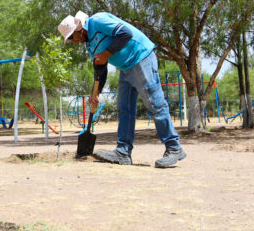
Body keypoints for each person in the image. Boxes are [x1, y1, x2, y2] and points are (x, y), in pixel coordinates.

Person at [57, 11, 186, 168]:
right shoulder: (89, 45)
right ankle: (123, 152)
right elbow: (100, 69)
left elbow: (126, 33)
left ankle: (174, 147)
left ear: (79, 28)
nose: (72, 41)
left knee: (155, 103)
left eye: (71, 37)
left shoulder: (97, 21)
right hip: (125, 67)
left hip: (141, 57)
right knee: (124, 108)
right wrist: (95, 93)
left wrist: (105, 53)